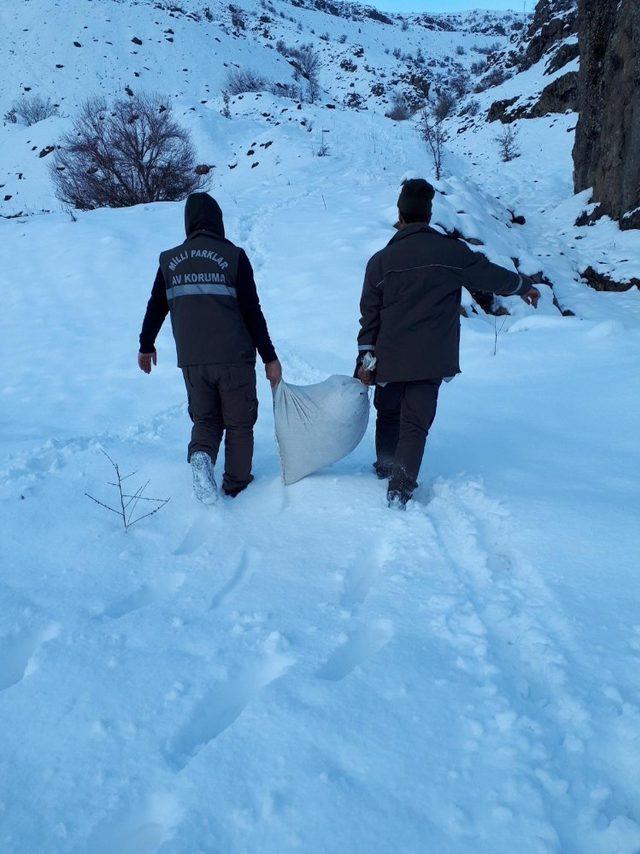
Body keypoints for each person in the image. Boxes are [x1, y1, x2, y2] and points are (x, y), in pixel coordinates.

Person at [356, 178, 540, 509]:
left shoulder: (380, 262)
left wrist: (365, 359)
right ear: (428, 214)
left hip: (390, 358)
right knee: (415, 424)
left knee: (387, 412)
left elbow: (369, 318)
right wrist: (523, 285)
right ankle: (399, 488)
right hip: (431, 358)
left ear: (400, 215)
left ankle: (386, 466)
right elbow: (491, 276)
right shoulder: (451, 252)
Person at [138, 192, 282, 503]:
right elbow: (252, 311)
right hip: (234, 357)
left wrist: (145, 345)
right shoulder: (234, 257)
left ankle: (202, 456)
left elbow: (156, 306)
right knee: (239, 422)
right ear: (218, 221)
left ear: (188, 223)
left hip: (193, 361)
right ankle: (236, 484)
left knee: (205, 419)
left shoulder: (169, 261)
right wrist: (269, 357)